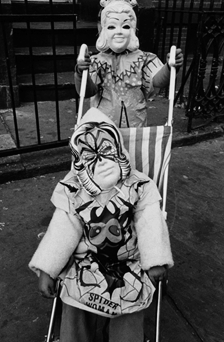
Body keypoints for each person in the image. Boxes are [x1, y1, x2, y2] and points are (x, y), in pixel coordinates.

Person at [29, 107, 174, 342]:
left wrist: (155, 259)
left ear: (119, 150)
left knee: (130, 306)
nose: (102, 162)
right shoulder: (73, 189)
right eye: (90, 156)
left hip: (129, 262)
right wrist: (48, 268)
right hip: (87, 262)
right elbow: (63, 228)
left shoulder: (139, 185)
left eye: (107, 151)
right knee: (73, 303)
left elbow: (150, 222)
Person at [74, 0, 184, 128]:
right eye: (111, 27)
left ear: (132, 30)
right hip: (104, 132)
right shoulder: (95, 62)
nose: (119, 32)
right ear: (103, 32)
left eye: (125, 26)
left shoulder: (144, 59)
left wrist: (170, 67)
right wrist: (81, 72)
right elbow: (87, 92)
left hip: (135, 129)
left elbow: (157, 81)